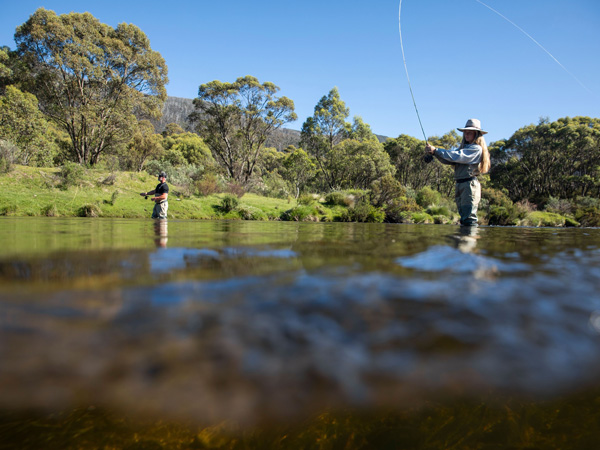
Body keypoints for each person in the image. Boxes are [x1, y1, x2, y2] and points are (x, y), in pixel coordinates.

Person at [425, 119, 490, 226]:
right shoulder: (464, 148)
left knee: (469, 219)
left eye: (470, 131)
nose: (466, 133)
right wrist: (434, 153)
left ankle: (469, 241)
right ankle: (463, 241)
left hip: (469, 186)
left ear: (477, 134)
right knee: (464, 218)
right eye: (465, 131)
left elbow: (457, 156)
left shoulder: (476, 149)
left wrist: (436, 150)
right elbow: (450, 159)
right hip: (461, 184)